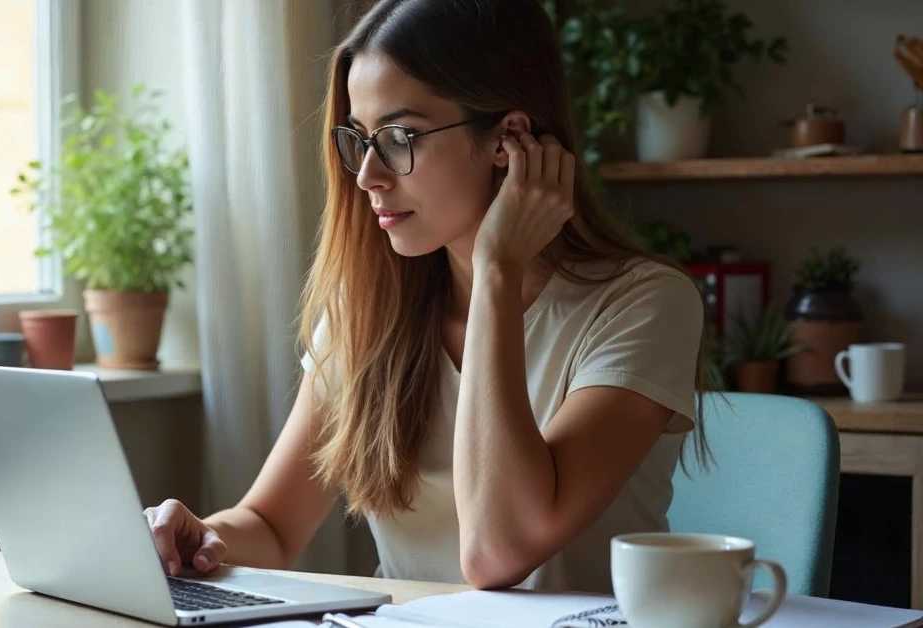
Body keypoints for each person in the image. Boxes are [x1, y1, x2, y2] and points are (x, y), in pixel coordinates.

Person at [144, 0, 709, 594]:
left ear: (508, 139)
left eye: (398, 136)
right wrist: (197, 539)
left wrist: (497, 269)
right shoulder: (368, 309)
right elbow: (273, 525)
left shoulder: (644, 305)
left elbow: (498, 551)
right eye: (359, 139)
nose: (367, 175)